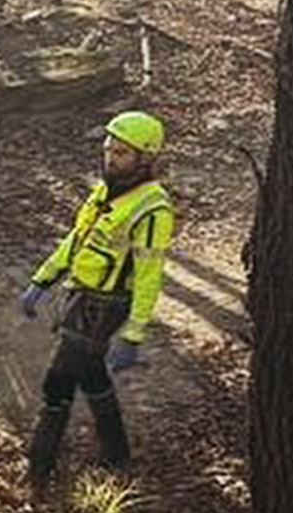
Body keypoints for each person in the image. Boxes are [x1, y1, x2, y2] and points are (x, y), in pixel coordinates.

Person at [18, 110, 175, 487]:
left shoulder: (153, 208)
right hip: (80, 294)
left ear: (145, 158)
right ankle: (118, 457)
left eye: (122, 153)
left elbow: (150, 276)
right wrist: (42, 280)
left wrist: (133, 334)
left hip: (105, 306)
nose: (111, 158)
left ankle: (38, 471)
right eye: (109, 149)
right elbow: (77, 239)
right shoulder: (106, 190)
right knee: (90, 374)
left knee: (57, 382)